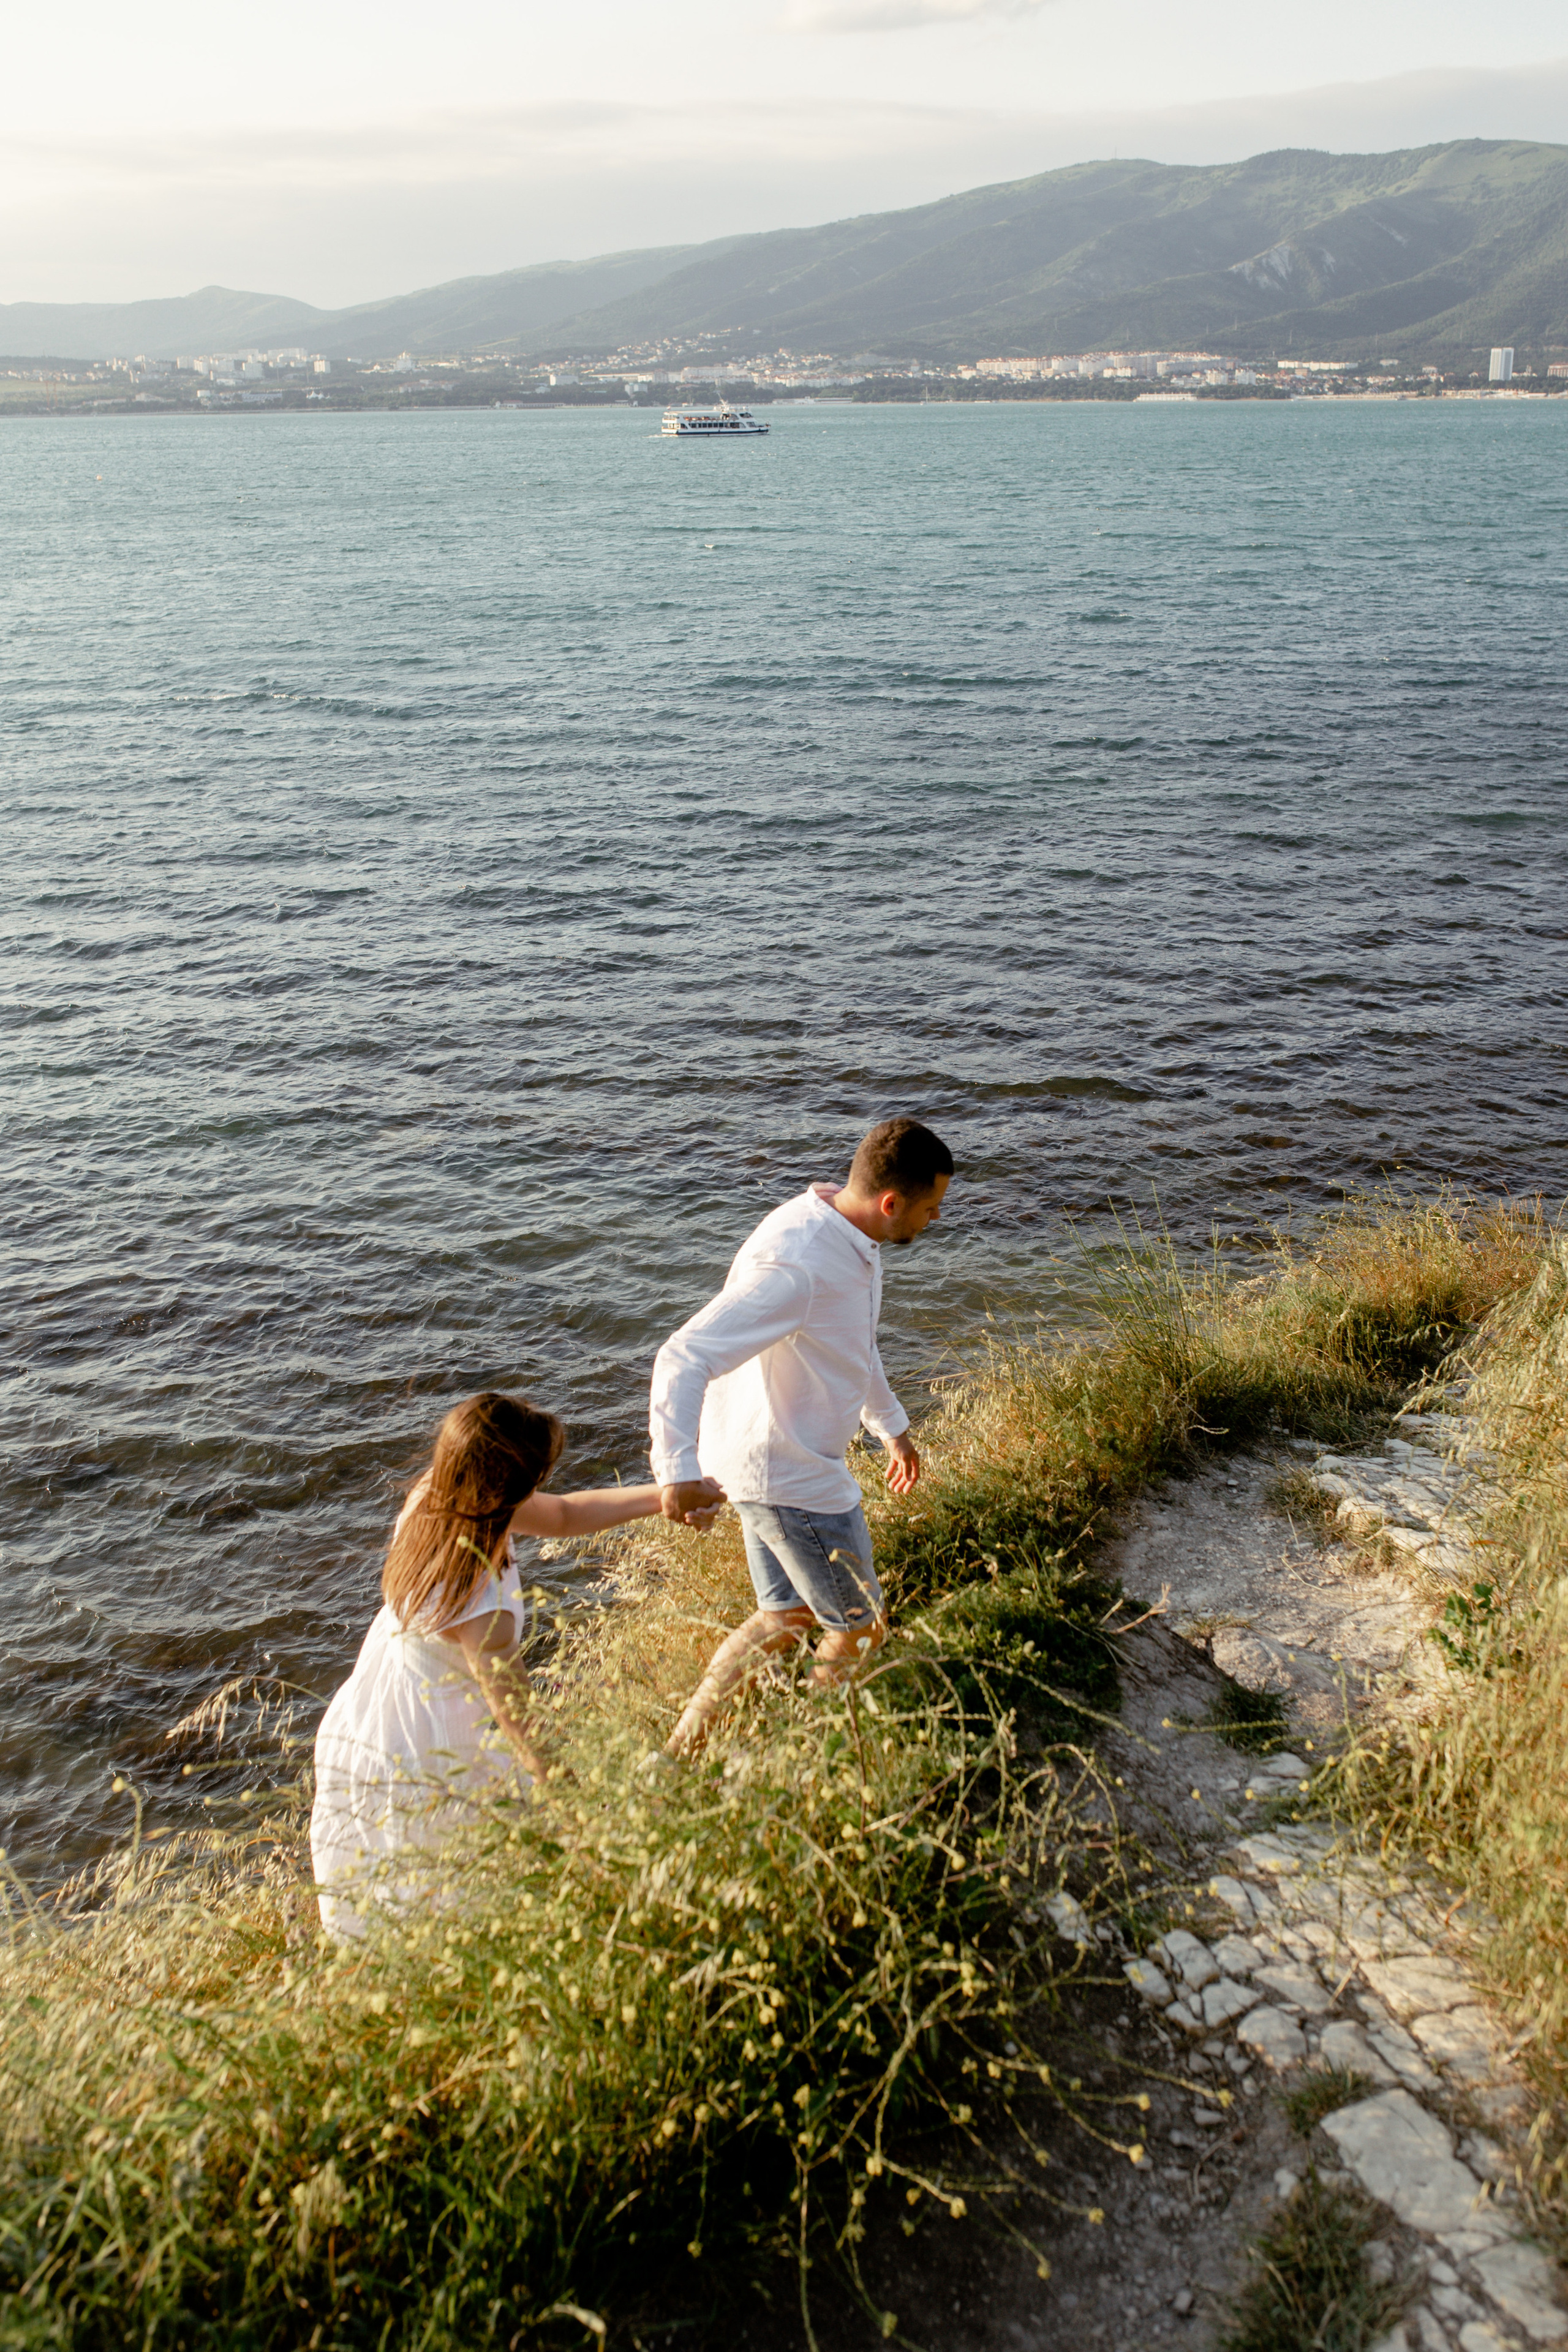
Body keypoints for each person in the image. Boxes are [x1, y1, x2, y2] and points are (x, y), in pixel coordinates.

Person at [310, 1390, 722, 1938]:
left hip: (376, 1710)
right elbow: (520, 1724)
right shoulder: (484, 1605)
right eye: (537, 1478)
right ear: (507, 1490)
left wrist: (667, 1497)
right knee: (452, 1888)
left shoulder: (438, 1496)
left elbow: (565, 1514)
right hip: (433, 1741)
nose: (542, 1487)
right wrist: (575, 1809)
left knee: (392, 1880)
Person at [650, 1117, 953, 1754]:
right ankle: (809, 1761)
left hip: (770, 1464)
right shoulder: (800, 1262)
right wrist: (675, 1469)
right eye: (930, 1208)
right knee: (860, 1631)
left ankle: (676, 1758)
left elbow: (850, 1342)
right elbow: (684, 1354)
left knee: (783, 1618)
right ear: (891, 1203)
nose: (935, 1220)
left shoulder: (849, 1234)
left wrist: (891, 1428)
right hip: (792, 1476)